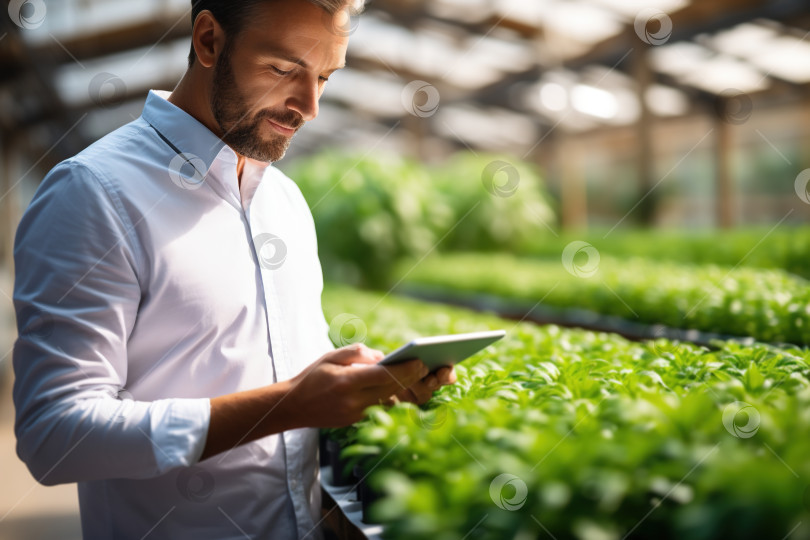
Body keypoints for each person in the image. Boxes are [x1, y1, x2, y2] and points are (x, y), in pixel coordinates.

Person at [11, 0, 456, 538]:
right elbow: (56, 438)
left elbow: (292, 381)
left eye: (324, 76)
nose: (310, 105)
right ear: (208, 41)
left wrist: (364, 389)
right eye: (283, 69)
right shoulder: (94, 194)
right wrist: (288, 405)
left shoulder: (285, 202)